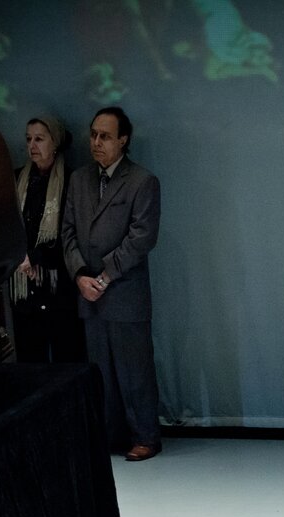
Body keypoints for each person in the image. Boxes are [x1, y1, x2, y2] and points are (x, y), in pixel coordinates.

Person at [61, 106, 162, 461]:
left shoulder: (142, 181)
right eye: (93, 135)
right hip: (88, 293)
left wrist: (104, 276)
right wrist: (79, 276)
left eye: (105, 136)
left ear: (123, 140)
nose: (96, 142)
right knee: (100, 372)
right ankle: (110, 436)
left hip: (124, 291)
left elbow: (142, 238)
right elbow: (67, 233)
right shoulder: (79, 179)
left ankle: (146, 436)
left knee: (135, 372)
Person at [10, 115, 84, 364]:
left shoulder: (71, 181)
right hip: (24, 287)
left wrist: (37, 257)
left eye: (39, 139)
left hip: (58, 285)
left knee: (66, 358)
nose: (32, 145)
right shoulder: (17, 179)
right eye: (28, 139)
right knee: (30, 360)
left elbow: (72, 233)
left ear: (55, 143)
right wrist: (22, 258)